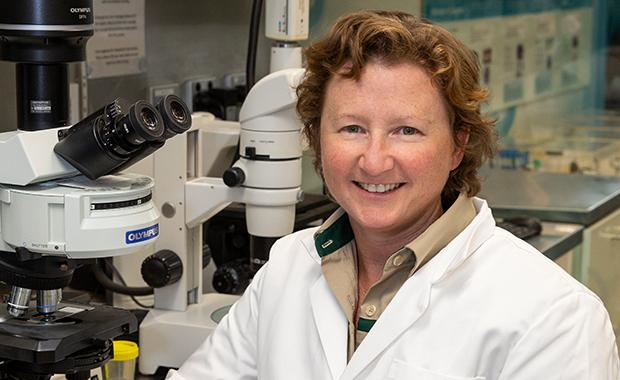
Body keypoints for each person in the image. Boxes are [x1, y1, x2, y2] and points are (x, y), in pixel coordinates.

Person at [167, 10, 619, 379]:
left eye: (407, 130)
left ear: (458, 144)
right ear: (316, 139)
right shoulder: (288, 267)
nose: (375, 160)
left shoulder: (555, 317)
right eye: (352, 128)